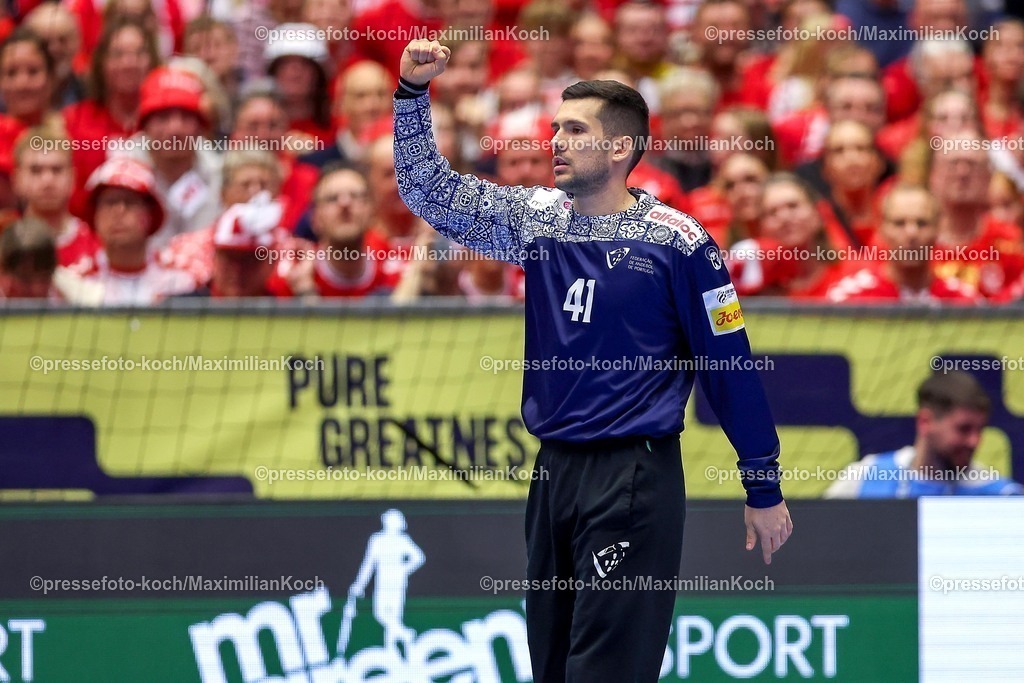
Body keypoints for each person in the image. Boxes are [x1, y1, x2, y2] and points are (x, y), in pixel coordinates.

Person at [393, 39, 792, 682]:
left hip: (633, 472)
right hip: (553, 473)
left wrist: (763, 484)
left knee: (603, 672)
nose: (556, 141)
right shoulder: (535, 221)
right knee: (552, 668)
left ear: (619, 149)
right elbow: (427, 190)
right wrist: (412, 97)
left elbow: (729, 365)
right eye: (556, 128)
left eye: (575, 130)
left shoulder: (679, 243)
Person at [825, 371, 1022, 498]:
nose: (974, 441)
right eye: (963, 429)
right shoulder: (865, 477)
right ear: (925, 422)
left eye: (980, 430)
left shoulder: (1001, 496)